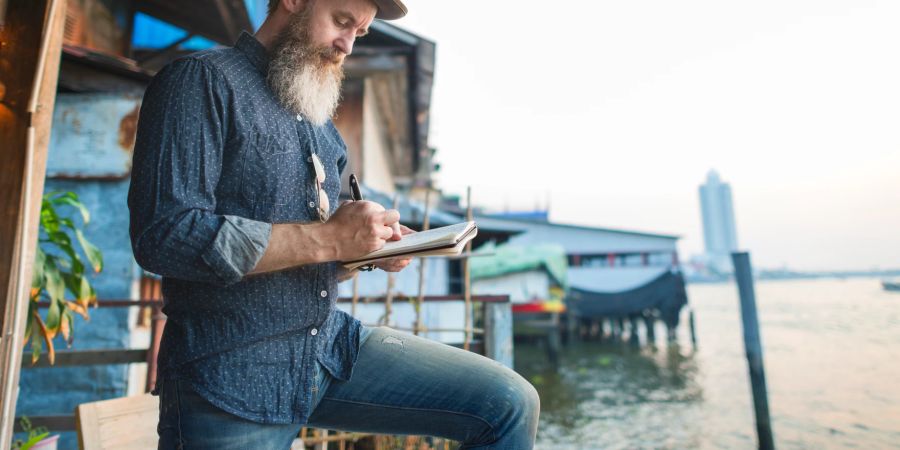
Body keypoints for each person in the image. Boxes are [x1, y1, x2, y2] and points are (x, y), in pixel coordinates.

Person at [127, 0, 540, 448]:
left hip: (326, 349)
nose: (347, 44)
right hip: (230, 373)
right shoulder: (201, 81)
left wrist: (367, 248)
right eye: (342, 22)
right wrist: (328, 239)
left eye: (359, 33)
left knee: (508, 402)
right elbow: (166, 235)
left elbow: (320, 255)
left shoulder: (324, 130)